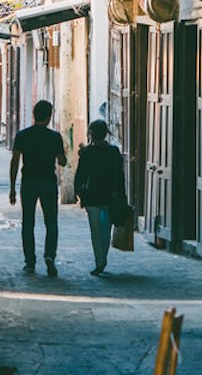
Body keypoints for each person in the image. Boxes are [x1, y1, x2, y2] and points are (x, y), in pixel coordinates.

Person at [10, 99, 67, 276]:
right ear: (49, 117)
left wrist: (12, 187)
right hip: (48, 183)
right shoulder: (54, 137)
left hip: (29, 182)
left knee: (28, 223)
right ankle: (50, 255)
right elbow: (62, 162)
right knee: (51, 222)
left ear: (34, 115)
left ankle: (30, 262)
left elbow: (15, 162)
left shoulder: (22, 135)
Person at [72, 119, 128, 276]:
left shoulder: (87, 153)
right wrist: (121, 195)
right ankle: (103, 257)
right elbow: (119, 175)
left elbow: (80, 174)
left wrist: (78, 191)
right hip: (110, 195)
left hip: (92, 195)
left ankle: (100, 260)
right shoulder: (113, 152)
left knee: (95, 230)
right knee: (106, 229)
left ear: (91, 134)